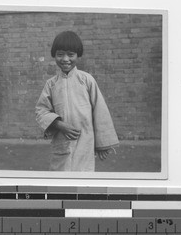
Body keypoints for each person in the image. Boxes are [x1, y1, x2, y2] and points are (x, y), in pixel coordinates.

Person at [35, 31, 119, 171]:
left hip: (85, 141)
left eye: (70, 54)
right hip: (62, 143)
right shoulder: (51, 84)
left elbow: (100, 111)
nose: (65, 59)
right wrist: (59, 124)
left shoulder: (86, 80)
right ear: (54, 55)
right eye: (60, 54)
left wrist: (102, 143)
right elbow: (41, 110)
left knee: (83, 180)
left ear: (78, 55)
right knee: (60, 182)